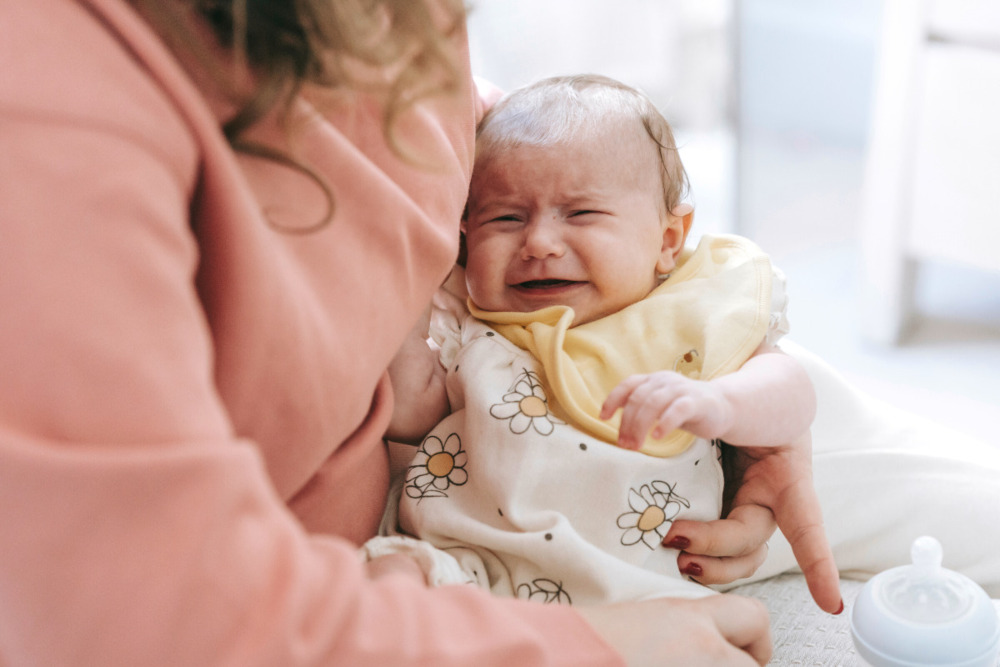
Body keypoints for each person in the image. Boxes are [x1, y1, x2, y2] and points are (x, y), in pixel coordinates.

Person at [1, 1, 794, 664]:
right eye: (509, 221)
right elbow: (145, 613)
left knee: (908, 487)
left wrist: (753, 414)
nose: (541, 241)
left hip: (659, 479)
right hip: (369, 575)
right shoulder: (51, 109)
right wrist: (592, 644)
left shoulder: (397, 24)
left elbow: (484, 132)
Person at [383, 74, 838, 609]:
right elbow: (407, 411)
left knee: (731, 632)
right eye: (505, 218)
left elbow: (791, 392)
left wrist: (721, 403)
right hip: (468, 569)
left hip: (645, 587)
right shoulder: (475, 326)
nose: (539, 243)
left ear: (667, 240)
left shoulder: (688, 313)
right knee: (387, 582)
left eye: (580, 213)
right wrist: (407, 289)